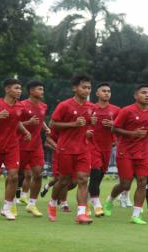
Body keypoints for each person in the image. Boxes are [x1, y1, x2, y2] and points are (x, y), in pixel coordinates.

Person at [103, 84, 148, 224]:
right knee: (125, 185)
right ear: (136, 96)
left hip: (143, 153)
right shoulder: (127, 111)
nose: (147, 95)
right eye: (143, 93)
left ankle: (136, 215)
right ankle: (110, 200)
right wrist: (132, 133)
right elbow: (114, 129)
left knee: (143, 182)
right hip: (125, 152)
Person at [47, 75, 96, 224]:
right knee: (63, 181)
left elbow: (87, 127)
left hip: (83, 149)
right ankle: (52, 203)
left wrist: (89, 127)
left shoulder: (91, 107)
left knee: (83, 180)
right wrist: (73, 124)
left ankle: (81, 213)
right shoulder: (65, 105)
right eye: (83, 87)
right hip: (65, 148)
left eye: (88, 88)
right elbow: (52, 124)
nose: (86, 90)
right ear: (75, 88)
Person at [0, 78, 31, 220]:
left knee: (14, 176)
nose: (19, 91)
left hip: (12, 146)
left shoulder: (20, 107)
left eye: (20, 88)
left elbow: (17, 121)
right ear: (7, 89)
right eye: (16, 88)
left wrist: (25, 131)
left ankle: (7, 208)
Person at [87, 82, 120, 217]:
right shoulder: (90, 108)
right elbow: (82, 124)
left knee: (99, 175)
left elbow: (122, 127)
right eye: (104, 91)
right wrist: (89, 124)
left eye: (109, 91)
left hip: (107, 147)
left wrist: (114, 124)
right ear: (97, 93)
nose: (107, 93)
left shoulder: (116, 110)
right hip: (91, 145)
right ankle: (96, 204)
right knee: (95, 172)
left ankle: (89, 199)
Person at [18, 81, 50, 217]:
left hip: (36, 145)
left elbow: (40, 119)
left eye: (43, 89)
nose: (42, 91)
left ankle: (32, 204)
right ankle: (10, 203)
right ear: (31, 91)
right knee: (15, 175)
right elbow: (14, 122)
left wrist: (46, 128)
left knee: (38, 173)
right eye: (40, 89)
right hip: (20, 144)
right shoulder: (22, 105)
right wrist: (28, 124)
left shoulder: (43, 106)